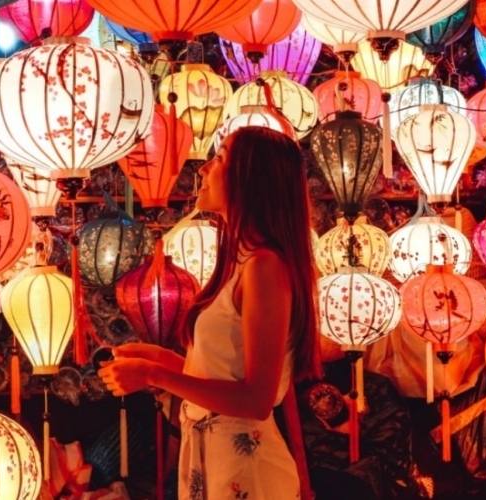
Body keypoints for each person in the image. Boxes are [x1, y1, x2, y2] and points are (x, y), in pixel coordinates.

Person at [98, 126, 320, 499]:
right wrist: (165, 361)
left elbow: (255, 399)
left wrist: (154, 374)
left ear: (251, 179)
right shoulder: (239, 263)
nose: (203, 170)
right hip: (211, 456)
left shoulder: (265, 267)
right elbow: (223, 374)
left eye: (221, 158)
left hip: (245, 468)